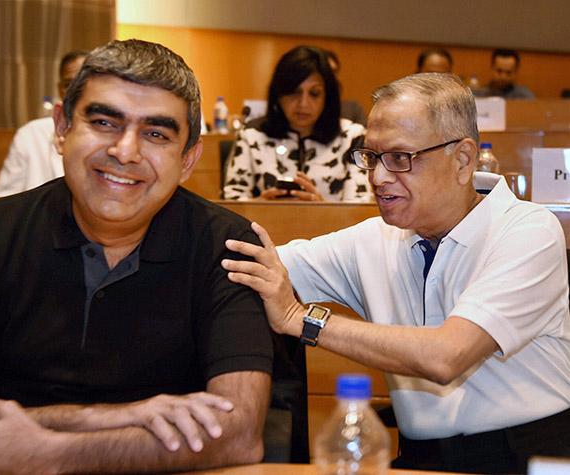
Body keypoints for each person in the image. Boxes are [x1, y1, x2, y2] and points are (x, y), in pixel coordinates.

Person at [0, 39, 274, 474]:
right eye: (104, 122)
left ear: (188, 158)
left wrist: (48, 453)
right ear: (61, 129)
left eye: (156, 134)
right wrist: (101, 417)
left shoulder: (229, 247)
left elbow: (239, 433)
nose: (125, 151)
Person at [222, 73, 570, 474]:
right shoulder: (375, 239)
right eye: (371, 157)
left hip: (526, 454)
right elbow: (258, 266)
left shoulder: (528, 231)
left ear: (463, 159)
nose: (378, 177)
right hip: (420, 457)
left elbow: (447, 355)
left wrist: (302, 320)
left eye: (400, 158)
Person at [223, 45, 371, 202]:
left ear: (328, 97)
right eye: (294, 92)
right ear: (278, 95)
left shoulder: (351, 137)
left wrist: (322, 210)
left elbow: (358, 211)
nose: (303, 104)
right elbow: (232, 204)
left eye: (314, 94)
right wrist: (259, 206)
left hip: (334, 227)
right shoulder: (252, 135)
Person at [0, 50, 88, 197]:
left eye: (83, 83)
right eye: (68, 84)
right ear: (60, 90)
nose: (75, 91)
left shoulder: (113, 140)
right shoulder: (30, 134)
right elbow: (3, 200)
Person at [323, 49, 367, 125]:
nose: (330, 76)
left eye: (333, 72)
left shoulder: (353, 109)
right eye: (326, 70)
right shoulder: (303, 109)